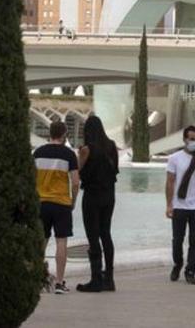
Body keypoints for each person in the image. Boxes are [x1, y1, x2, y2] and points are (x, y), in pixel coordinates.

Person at [34, 120, 80, 294]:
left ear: (49, 133)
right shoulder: (69, 154)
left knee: (41, 242)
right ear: (64, 134)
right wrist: (73, 201)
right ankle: (60, 282)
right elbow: (75, 182)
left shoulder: (38, 152)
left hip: (41, 202)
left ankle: (38, 280)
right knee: (61, 241)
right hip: (61, 203)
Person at [76, 115, 119, 292]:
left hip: (92, 196)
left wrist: (80, 155)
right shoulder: (112, 146)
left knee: (93, 236)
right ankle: (109, 278)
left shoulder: (87, 150)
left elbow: (78, 171)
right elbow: (115, 170)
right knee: (106, 234)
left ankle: (96, 280)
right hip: (109, 196)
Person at [166, 125, 195, 285]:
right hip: (179, 205)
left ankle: (191, 270)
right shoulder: (174, 158)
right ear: (185, 139)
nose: (194, 142)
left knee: (194, 240)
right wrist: (169, 205)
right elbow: (170, 182)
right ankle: (177, 264)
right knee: (177, 240)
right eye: (192, 139)